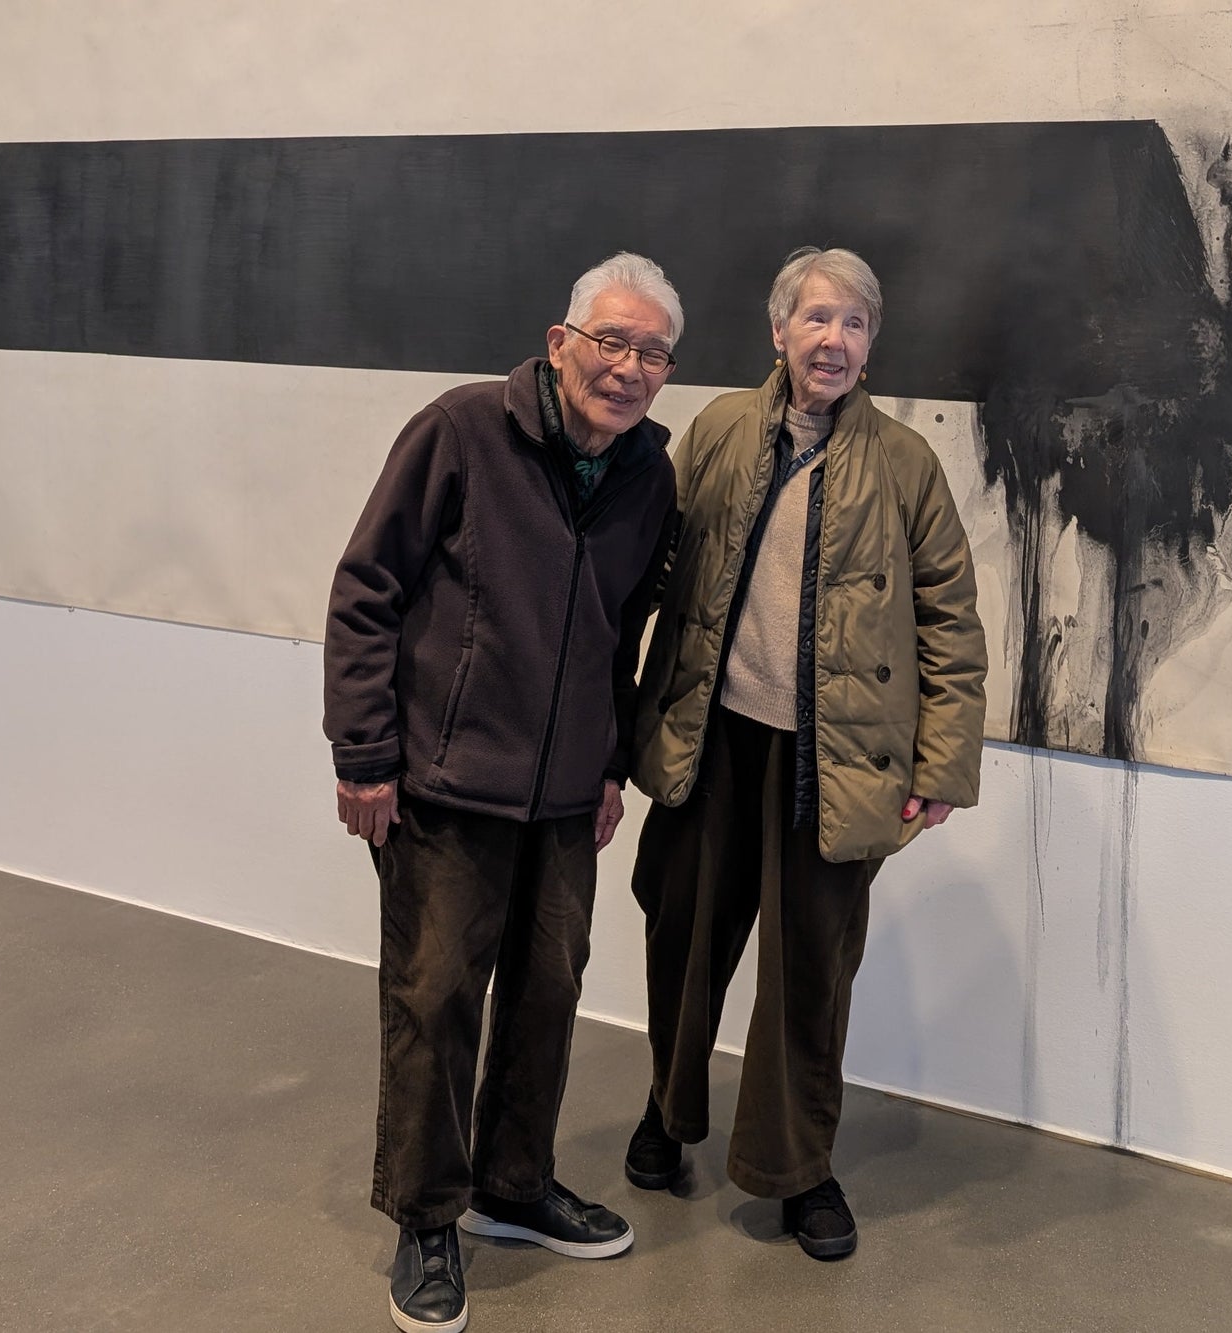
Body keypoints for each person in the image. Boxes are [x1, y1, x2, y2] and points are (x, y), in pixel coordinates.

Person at [324, 253, 682, 1333]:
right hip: (443, 782)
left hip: (567, 795)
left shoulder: (646, 476)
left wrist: (611, 762)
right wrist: (363, 755)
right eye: (610, 341)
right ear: (559, 340)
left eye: (651, 353)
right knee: (434, 1000)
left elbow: (623, 635)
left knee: (547, 989)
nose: (626, 368)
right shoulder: (460, 431)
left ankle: (513, 1185)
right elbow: (365, 590)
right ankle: (427, 1216)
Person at [623, 246, 986, 1261]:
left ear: (870, 348)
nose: (833, 339)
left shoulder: (906, 465)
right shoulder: (718, 431)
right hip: (711, 741)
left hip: (834, 766)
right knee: (681, 944)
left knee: (808, 975)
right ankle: (666, 1112)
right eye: (816, 318)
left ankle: (798, 1168)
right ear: (778, 332)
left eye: (854, 323)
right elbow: (649, 566)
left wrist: (940, 763)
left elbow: (949, 622)